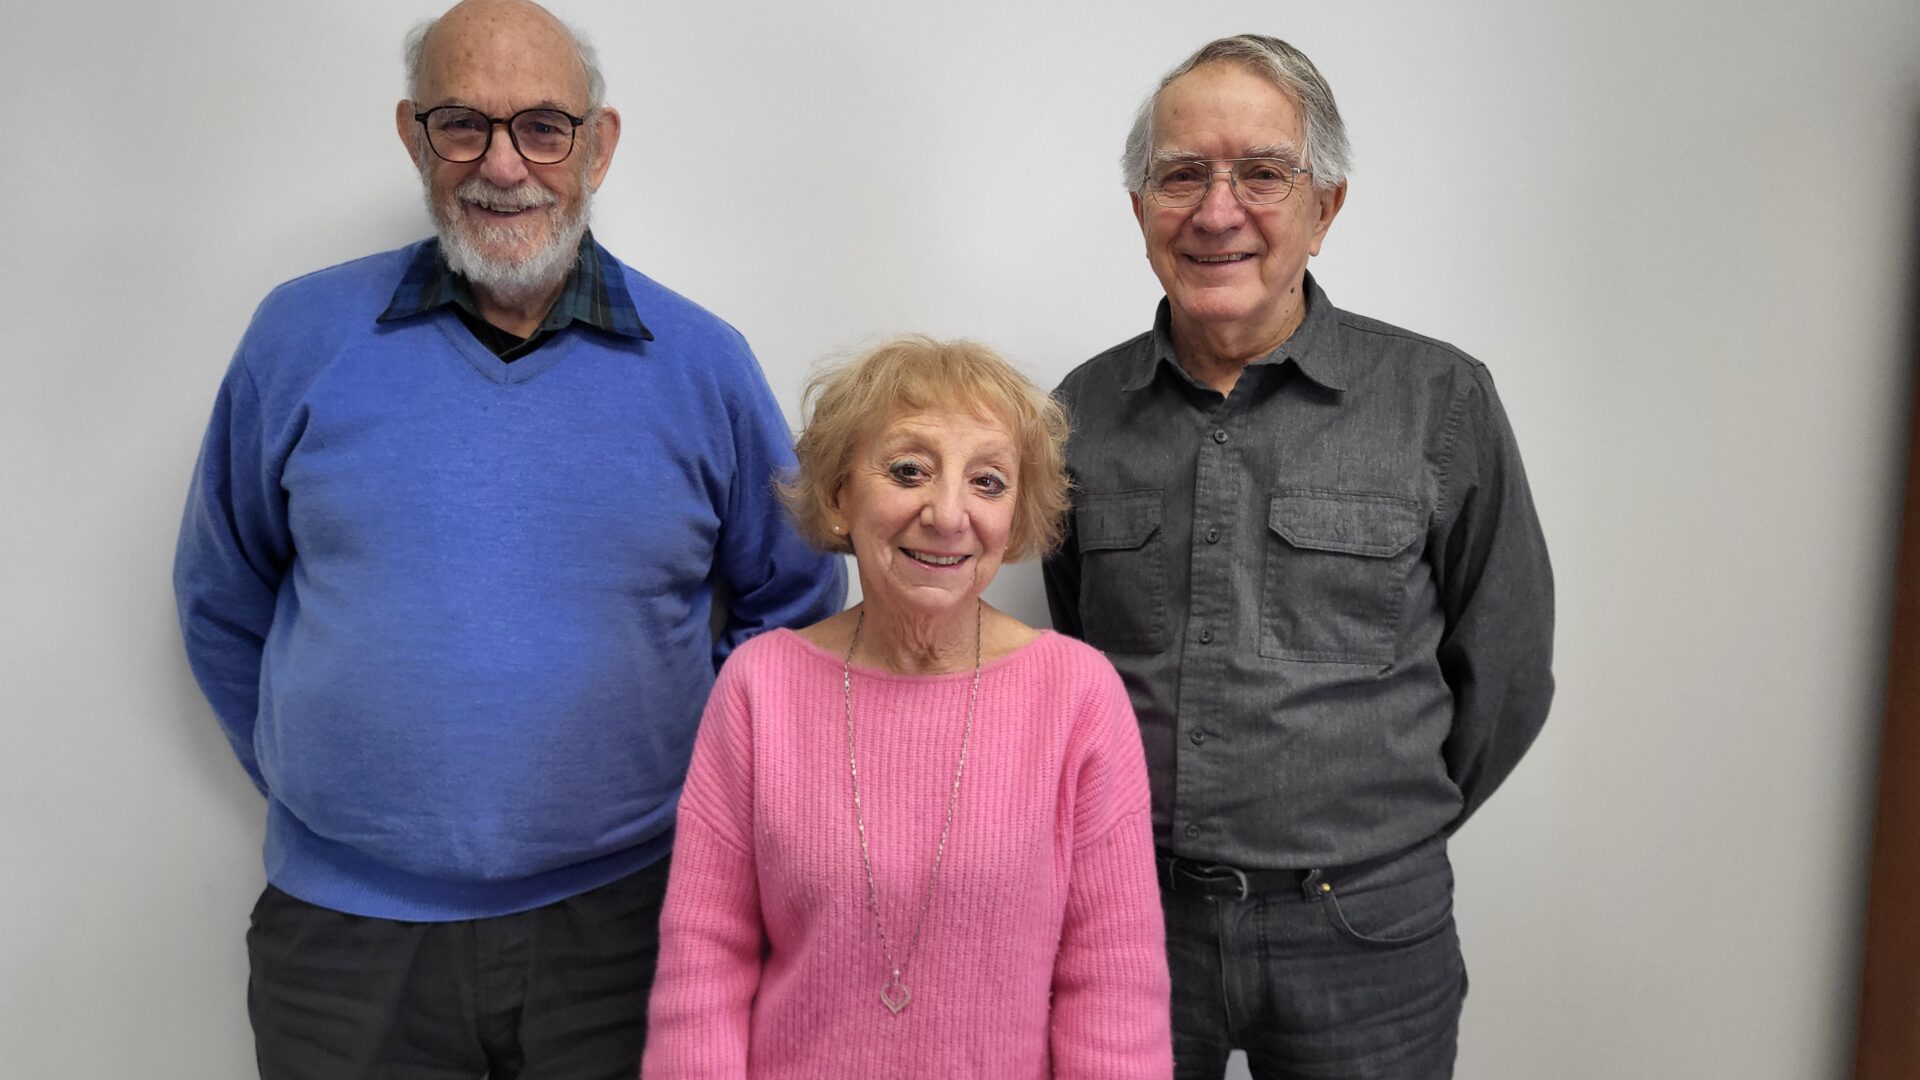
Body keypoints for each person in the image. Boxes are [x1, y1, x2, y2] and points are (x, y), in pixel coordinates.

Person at [171, 1, 845, 1075]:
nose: (502, 164)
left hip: (632, 927)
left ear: (598, 146)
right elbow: (222, 594)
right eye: (461, 124)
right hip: (345, 948)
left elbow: (796, 599)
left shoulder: (703, 363)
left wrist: (687, 780)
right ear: (412, 136)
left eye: (542, 127)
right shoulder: (298, 336)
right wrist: (328, 780)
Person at [1042, 34, 1555, 1080]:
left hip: (1366, 935)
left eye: (1264, 173)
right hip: (1133, 922)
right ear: (1140, 209)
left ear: (1325, 208)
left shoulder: (1440, 401)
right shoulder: (1077, 415)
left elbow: (1506, 672)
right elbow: (1074, 649)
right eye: (1182, 174)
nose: (1217, 210)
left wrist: (1373, 837)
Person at [641, 336, 1173, 1078]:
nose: (949, 514)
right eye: (908, 471)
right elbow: (705, 964)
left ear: (1017, 515)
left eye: (988, 482)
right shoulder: (760, 688)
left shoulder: (1078, 695)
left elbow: (1112, 983)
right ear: (839, 497)